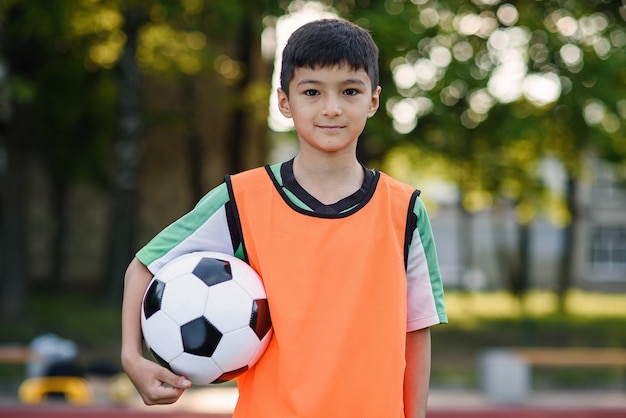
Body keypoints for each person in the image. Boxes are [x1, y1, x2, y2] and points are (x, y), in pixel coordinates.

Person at [121, 18, 447, 418]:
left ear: (373, 101)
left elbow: (416, 330)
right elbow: (143, 266)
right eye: (312, 91)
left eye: (350, 91)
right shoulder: (241, 200)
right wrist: (132, 357)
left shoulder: (405, 209)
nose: (331, 108)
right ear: (284, 102)